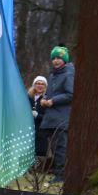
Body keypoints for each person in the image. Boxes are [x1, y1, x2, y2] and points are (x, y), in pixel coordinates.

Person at [39, 46, 75, 181]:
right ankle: (57, 173)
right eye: (53, 58)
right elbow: (49, 93)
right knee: (54, 147)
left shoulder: (68, 74)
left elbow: (70, 94)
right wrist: (44, 99)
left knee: (60, 148)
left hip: (61, 118)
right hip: (51, 118)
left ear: (65, 60)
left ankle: (61, 175)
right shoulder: (52, 75)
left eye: (59, 58)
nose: (56, 60)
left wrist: (53, 101)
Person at [28, 75, 49, 164]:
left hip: (41, 131)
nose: (40, 85)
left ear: (45, 86)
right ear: (34, 85)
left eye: (42, 84)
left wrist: (37, 116)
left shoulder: (47, 99)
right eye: (37, 83)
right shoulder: (28, 97)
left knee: (39, 151)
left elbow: (49, 117)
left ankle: (38, 167)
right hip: (28, 129)